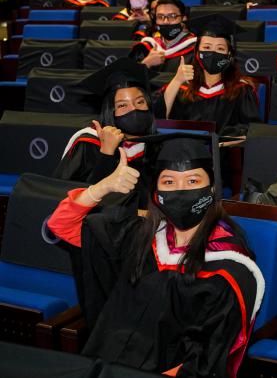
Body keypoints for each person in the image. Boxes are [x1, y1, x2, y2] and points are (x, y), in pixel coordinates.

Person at [46, 132, 263, 377]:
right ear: (156, 194)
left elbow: (206, 361)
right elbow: (60, 224)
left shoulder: (229, 268)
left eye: (193, 181)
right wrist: (102, 187)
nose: (180, 190)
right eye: (168, 182)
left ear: (212, 189)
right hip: (104, 364)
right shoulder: (138, 236)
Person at [54, 59, 157, 206]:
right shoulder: (88, 143)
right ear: (110, 111)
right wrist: (106, 153)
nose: (134, 109)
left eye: (140, 102)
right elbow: (70, 198)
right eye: (122, 105)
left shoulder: (157, 145)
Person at [158, 14, 261, 137]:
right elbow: (161, 121)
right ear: (197, 52)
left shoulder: (241, 90)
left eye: (220, 49)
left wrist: (219, 144)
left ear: (230, 55)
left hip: (224, 148)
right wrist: (176, 81)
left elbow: (251, 131)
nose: (213, 53)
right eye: (207, 47)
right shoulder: (183, 88)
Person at [131, 0, 197, 73]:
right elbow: (129, 78)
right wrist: (146, 63)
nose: (165, 21)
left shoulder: (195, 48)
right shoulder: (147, 47)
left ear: (183, 18)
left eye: (172, 16)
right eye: (160, 17)